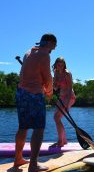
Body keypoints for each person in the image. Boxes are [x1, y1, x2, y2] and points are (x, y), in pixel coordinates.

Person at [14, 33, 57, 172]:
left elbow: (26, 73)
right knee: (38, 129)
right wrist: (49, 92)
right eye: (54, 46)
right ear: (50, 43)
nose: (53, 50)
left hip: (21, 93)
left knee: (23, 127)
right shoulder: (45, 54)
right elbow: (48, 78)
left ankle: (18, 159)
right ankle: (33, 165)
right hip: (34, 94)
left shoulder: (29, 51)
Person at [51, 57, 76, 147]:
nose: (60, 66)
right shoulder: (56, 72)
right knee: (56, 118)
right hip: (61, 97)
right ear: (56, 64)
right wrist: (52, 83)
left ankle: (61, 141)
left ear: (64, 65)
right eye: (58, 64)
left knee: (56, 118)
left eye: (62, 64)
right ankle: (64, 140)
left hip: (70, 97)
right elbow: (55, 88)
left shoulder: (67, 73)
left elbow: (69, 89)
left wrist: (67, 105)